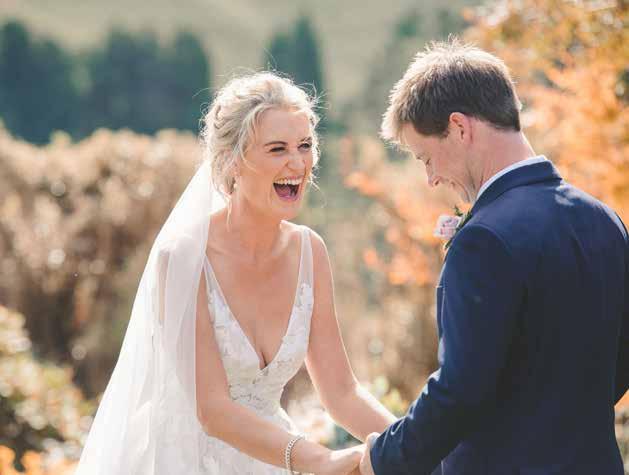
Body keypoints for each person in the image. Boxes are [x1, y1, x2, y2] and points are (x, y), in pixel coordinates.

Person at [74, 72, 396, 475]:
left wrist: (418, 445)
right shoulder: (184, 258)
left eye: (305, 145)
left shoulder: (310, 252)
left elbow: (342, 392)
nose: (298, 163)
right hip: (180, 462)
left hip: (270, 458)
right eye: (277, 149)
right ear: (232, 161)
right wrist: (319, 459)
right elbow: (213, 410)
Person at [359, 38, 629, 475]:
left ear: (459, 128)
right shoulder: (605, 220)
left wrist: (384, 457)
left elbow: (459, 391)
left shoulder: (483, 239)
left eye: (426, 158)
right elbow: (619, 362)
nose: (430, 179)